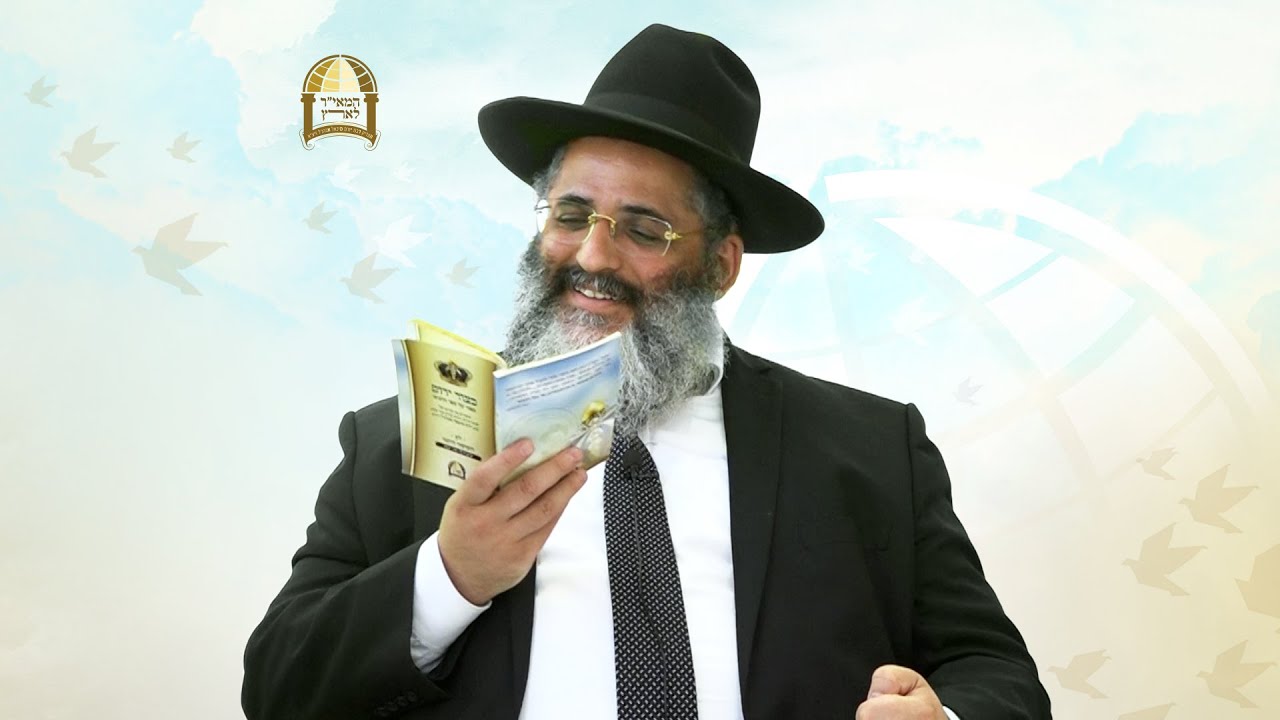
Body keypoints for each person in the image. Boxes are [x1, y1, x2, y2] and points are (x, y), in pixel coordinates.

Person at [242, 24, 1051, 720]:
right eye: (571, 215)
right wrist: (453, 575)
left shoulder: (873, 448)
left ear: (721, 266)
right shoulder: (397, 444)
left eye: (643, 229)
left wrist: (944, 716)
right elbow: (279, 690)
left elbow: (996, 673)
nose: (593, 257)